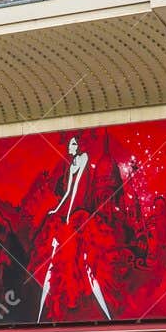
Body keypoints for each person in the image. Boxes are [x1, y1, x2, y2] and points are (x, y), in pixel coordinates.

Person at [36, 136, 113, 321]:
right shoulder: (71, 165)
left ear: (79, 146)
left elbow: (79, 187)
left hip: (80, 214)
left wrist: (69, 213)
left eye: (72, 144)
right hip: (69, 214)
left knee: (88, 265)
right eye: (69, 144)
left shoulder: (85, 157)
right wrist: (57, 209)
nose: (69, 147)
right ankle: (38, 315)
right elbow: (69, 191)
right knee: (54, 262)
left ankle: (108, 315)